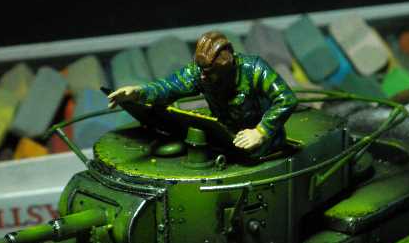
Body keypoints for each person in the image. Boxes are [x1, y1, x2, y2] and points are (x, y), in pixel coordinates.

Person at [107, 30, 297, 156]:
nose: (202, 76)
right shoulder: (201, 72)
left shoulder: (254, 70)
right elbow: (170, 86)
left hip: (261, 146)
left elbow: (286, 99)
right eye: (201, 70)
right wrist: (139, 92)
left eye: (209, 72)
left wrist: (261, 132)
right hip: (222, 139)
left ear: (226, 68)